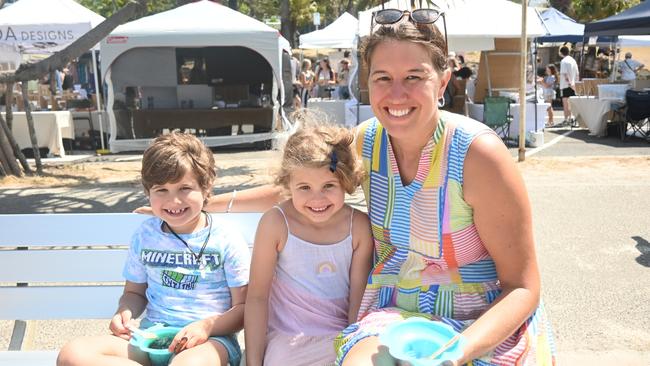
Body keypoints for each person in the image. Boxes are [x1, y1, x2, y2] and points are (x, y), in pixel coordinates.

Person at [163, 9, 557, 366]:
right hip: (392, 315)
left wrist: (456, 352)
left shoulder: (477, 155)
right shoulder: (368, 142)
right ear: (366, 82)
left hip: (478, 324)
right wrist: (207, 205)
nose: (396, 94)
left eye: (414, 77)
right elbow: (299, 183)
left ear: (443, 81)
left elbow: (523, 287)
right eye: (382, 77)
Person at [57, 132, 250, 366]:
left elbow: (243, 308)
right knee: (72, 355)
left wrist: (205, 326)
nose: (174, 201)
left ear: (206, 187)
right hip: (150, 338)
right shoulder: (145, 235)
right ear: (148, 191)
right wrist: (124, 312)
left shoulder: (226, 238)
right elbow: (134, 293)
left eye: (184, 188)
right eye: (161, 190)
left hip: (209, 341)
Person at [244, 120, 373, 366]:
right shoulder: (275, 223)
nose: (317, 199)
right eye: (304, 187)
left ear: (345, 181)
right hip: (287, 337)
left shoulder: (358, 227)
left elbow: (358, 300)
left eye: (328, 186)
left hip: (339, 336)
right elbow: (257, 297)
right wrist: (253, 362)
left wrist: (350, 349)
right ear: (287, 183)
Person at [559, 45, 579, 125]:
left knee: (565, 103)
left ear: (561, 53)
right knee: (572, 103)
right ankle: (572, 119)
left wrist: (569, 82)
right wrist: (575, 84)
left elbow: (565, 74)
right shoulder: (573, 60)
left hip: (566, 85)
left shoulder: (563, 61)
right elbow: (577, 74)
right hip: (573, 84)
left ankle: (566, 119)